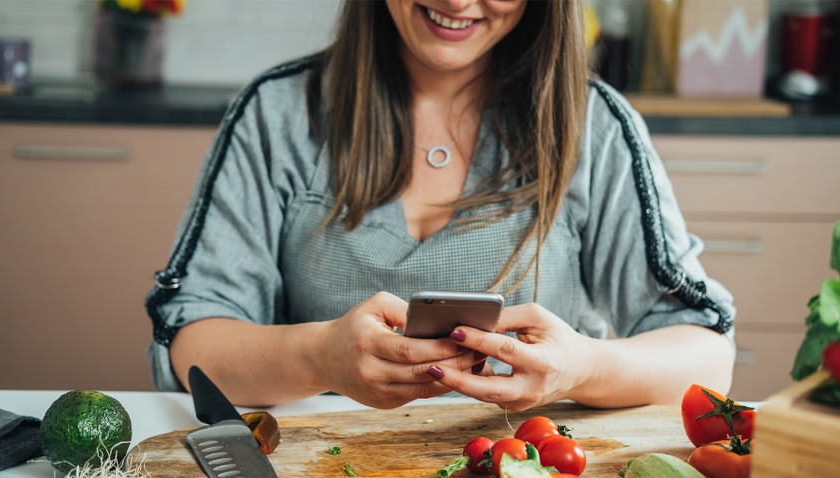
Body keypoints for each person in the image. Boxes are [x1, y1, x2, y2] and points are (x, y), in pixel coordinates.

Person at [146, 0, 736, 411]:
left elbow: (706, 359)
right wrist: (320, 358)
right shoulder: (276, 113)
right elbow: (191, 343)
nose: (458, 0)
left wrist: (581, 368)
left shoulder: (595, 126)